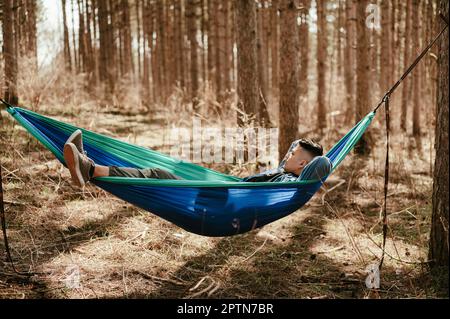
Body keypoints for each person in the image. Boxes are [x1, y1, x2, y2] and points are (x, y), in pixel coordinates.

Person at [63, 130, 332, 187]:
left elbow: (320, 165)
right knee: (167, 167)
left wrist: (318, 163)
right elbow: (303, 158)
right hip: (225, 190)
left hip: (222, 200)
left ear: (303, 165)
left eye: (293, 154)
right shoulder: (285, 175)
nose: (287, 155)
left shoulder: (287, 182)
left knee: (159, 175)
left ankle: (89, 169)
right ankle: (87, 164)